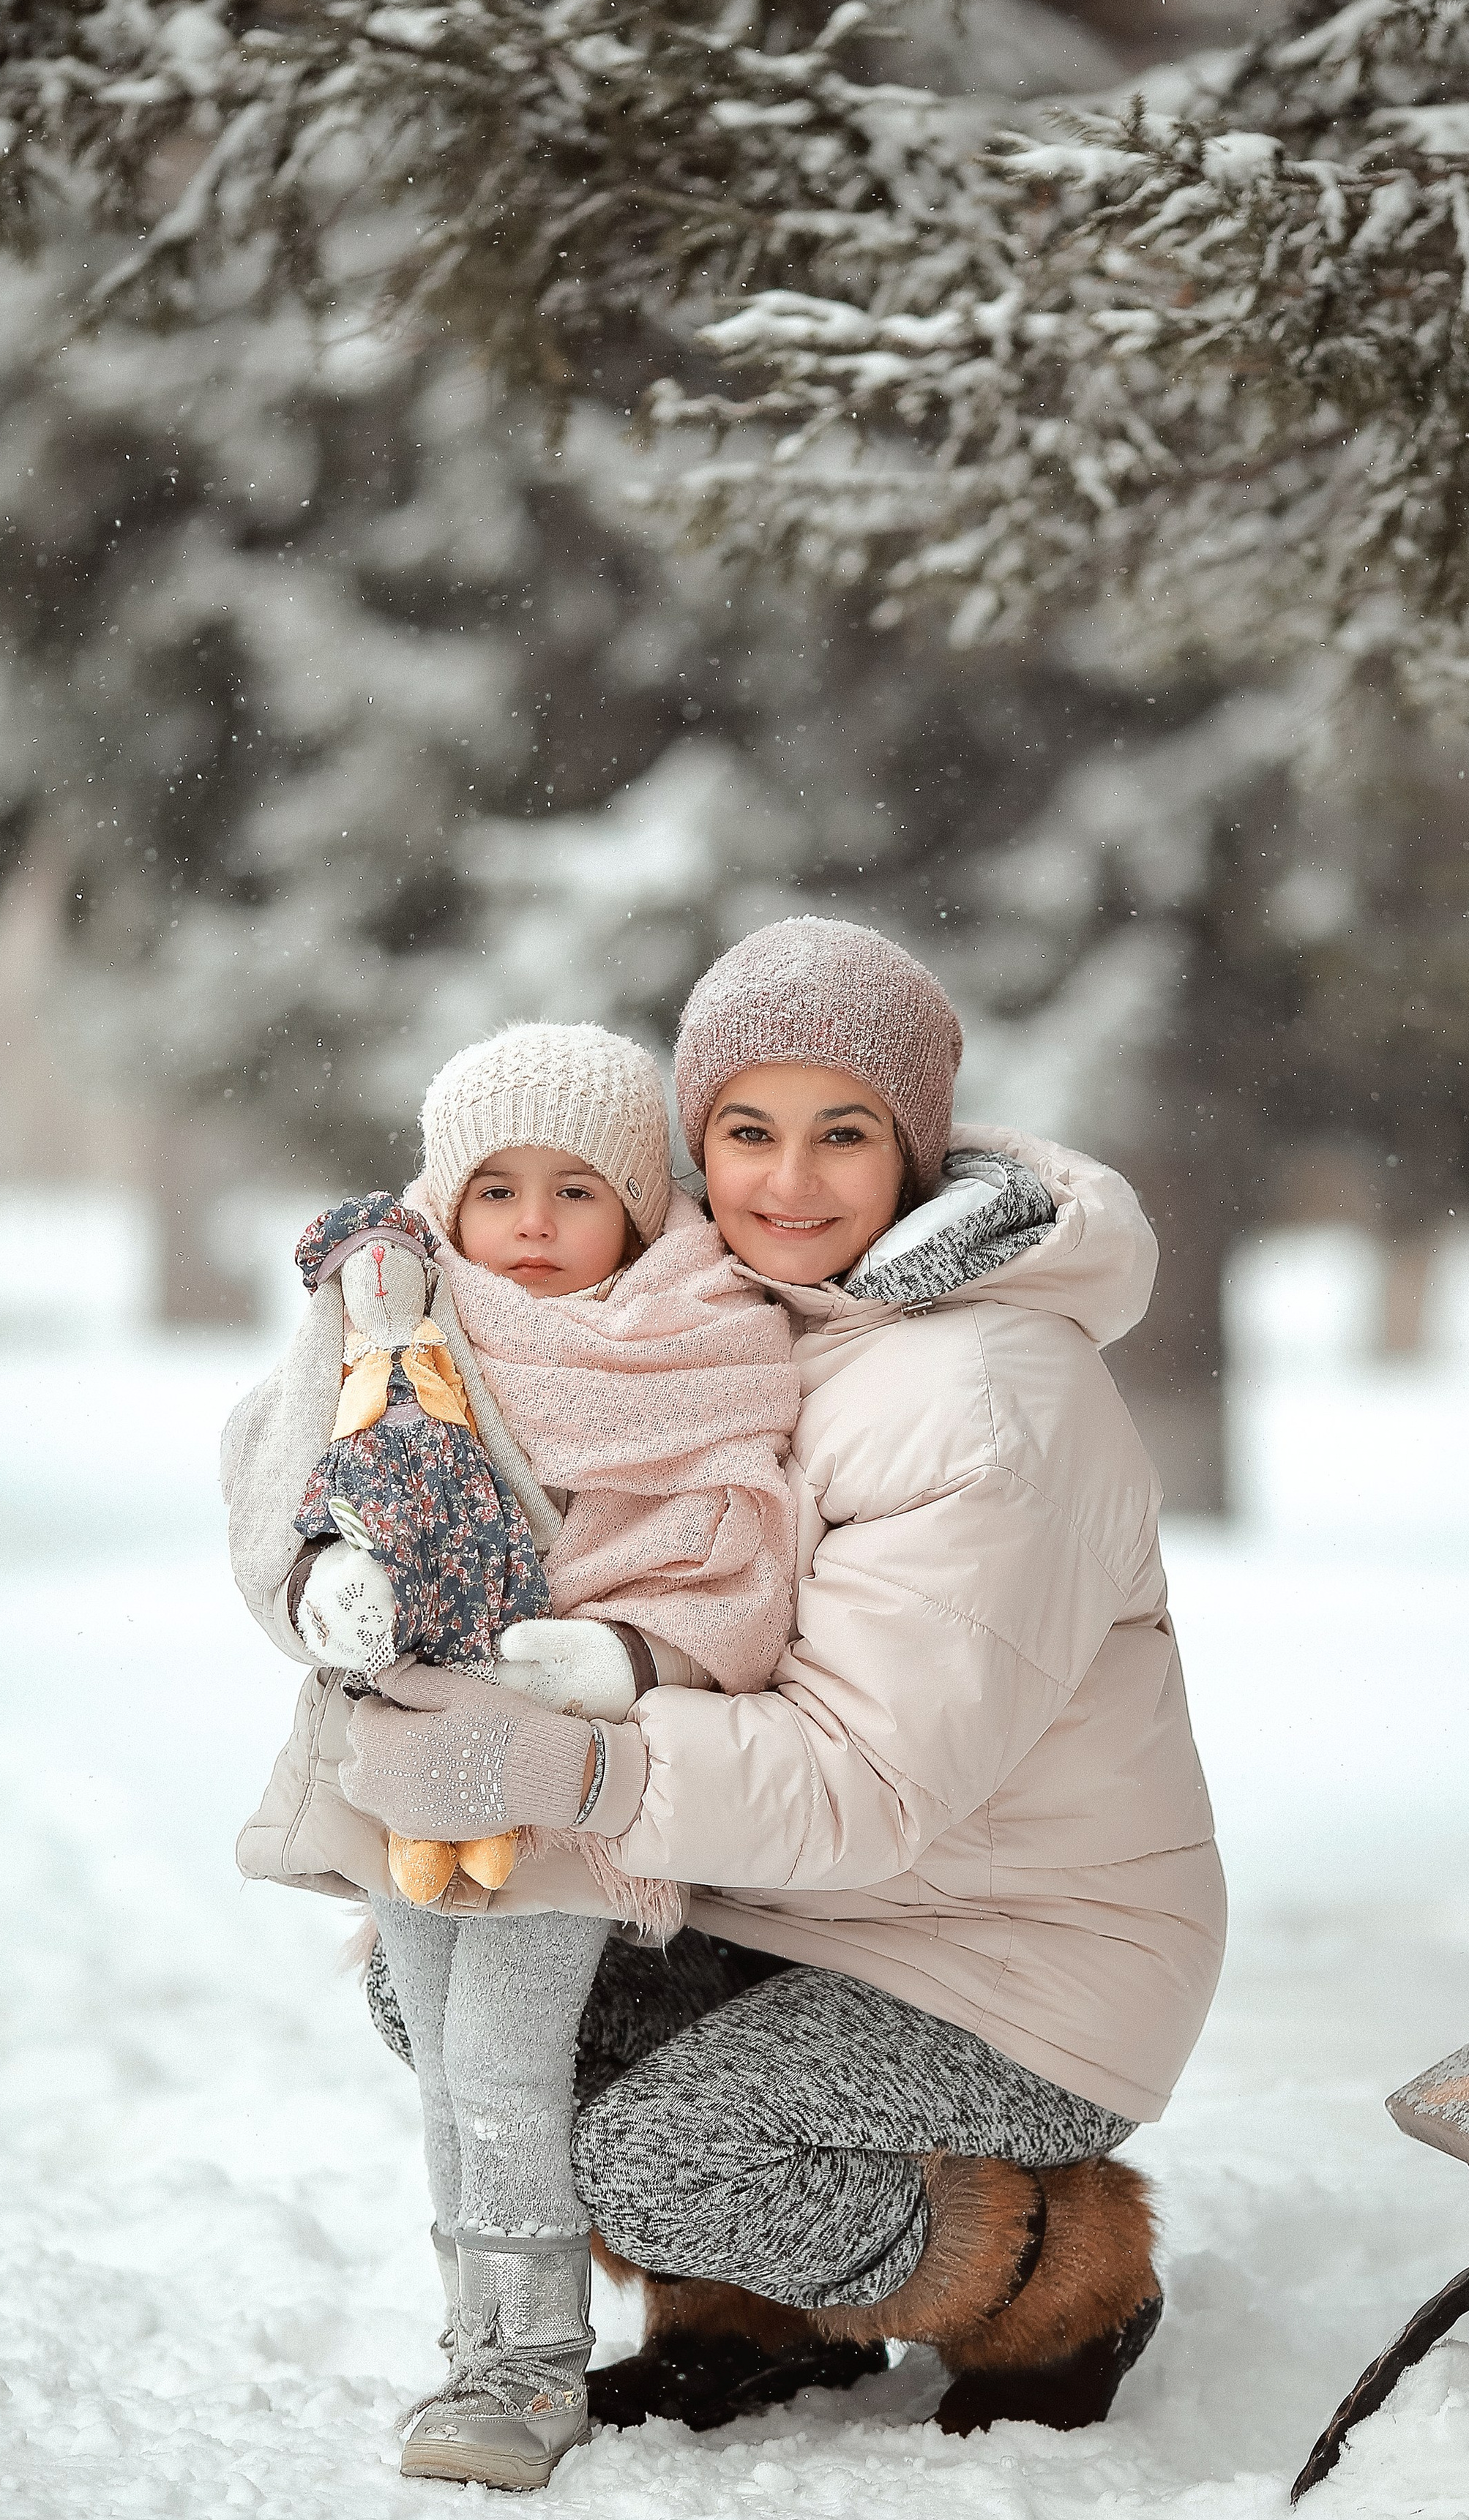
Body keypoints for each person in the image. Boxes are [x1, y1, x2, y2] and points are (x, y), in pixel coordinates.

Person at [340, 920, 1227, 2439]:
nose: (788, 1184)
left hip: (1014, 1966)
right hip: (818, 1910)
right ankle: (755, 2323)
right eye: (746, 1133)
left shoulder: (980, 1398)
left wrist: (579, 1771)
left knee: (658, 2159)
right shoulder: (730, 1331)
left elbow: (870, 1783)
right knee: (452, 1984)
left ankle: (1053, 2279)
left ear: (916, 1154)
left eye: (844, 1135)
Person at [220, 1021, 798, 2489]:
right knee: (436, 2061)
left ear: (638, 1208)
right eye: (494, 1191)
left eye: (573, 1190)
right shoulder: (399, 1339)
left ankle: (531, 2370)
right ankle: (472, 2333)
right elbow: (285, 1487)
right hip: (400, 1771)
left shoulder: (702, 1348)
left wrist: (621, 1654)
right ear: (443, 1200)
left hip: (570, 1792)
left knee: (499, 2062)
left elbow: (735, 1569)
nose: (531, 1226)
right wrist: (321, 1591)